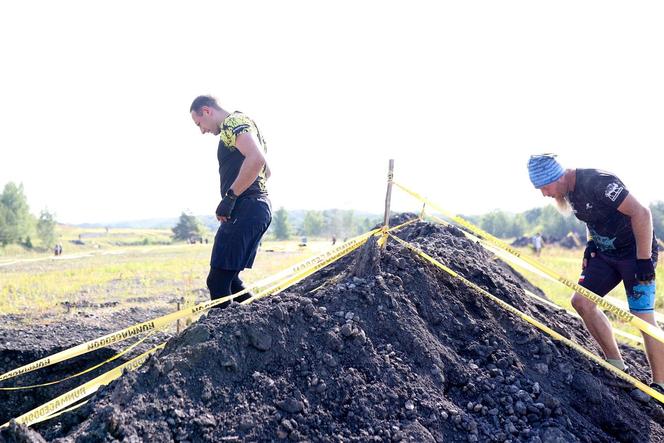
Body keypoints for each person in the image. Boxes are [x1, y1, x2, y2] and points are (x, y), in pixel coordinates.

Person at [527, 154, 662, 392]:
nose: (544, 194)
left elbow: (642, 213)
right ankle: (617, 366)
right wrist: (591, 244)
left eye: (544, 187)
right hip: (605, 253)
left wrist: (643, 260)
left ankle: (660, 385)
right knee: (581, 301)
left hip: (635, 254)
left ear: (556, 178)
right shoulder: (568, 192)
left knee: (642, 317)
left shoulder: (598, 182)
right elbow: (594, 218)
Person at [190, 95, 272, 307]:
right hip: (255, 206)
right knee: (231, 281)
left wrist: (231, 196)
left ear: (207, 111)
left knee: (217, 281)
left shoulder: (232, 123)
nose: (202, 130)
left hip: (247, 206)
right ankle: (261, 321)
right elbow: (267, 170)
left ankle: (221, 338)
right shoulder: (246, 124)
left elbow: (257, 159)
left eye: (199, 123)